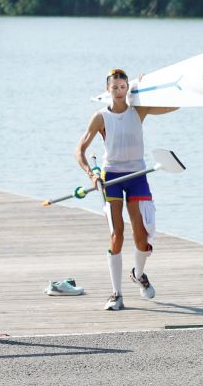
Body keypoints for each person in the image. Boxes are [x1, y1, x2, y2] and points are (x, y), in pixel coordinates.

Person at [76, 68, 178, 311]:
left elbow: (173, 106)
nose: (120, 92)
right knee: (117, 234)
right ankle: (116, 294)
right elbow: (79, 151)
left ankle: (138, 274)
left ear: (128, 89)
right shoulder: (100, 117)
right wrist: (92, 175)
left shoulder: (139, 110)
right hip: (111, 176)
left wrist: (151, 87)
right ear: (107, 90)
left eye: (123, 87)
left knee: (142, 237)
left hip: (137, 176)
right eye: (115, 88)